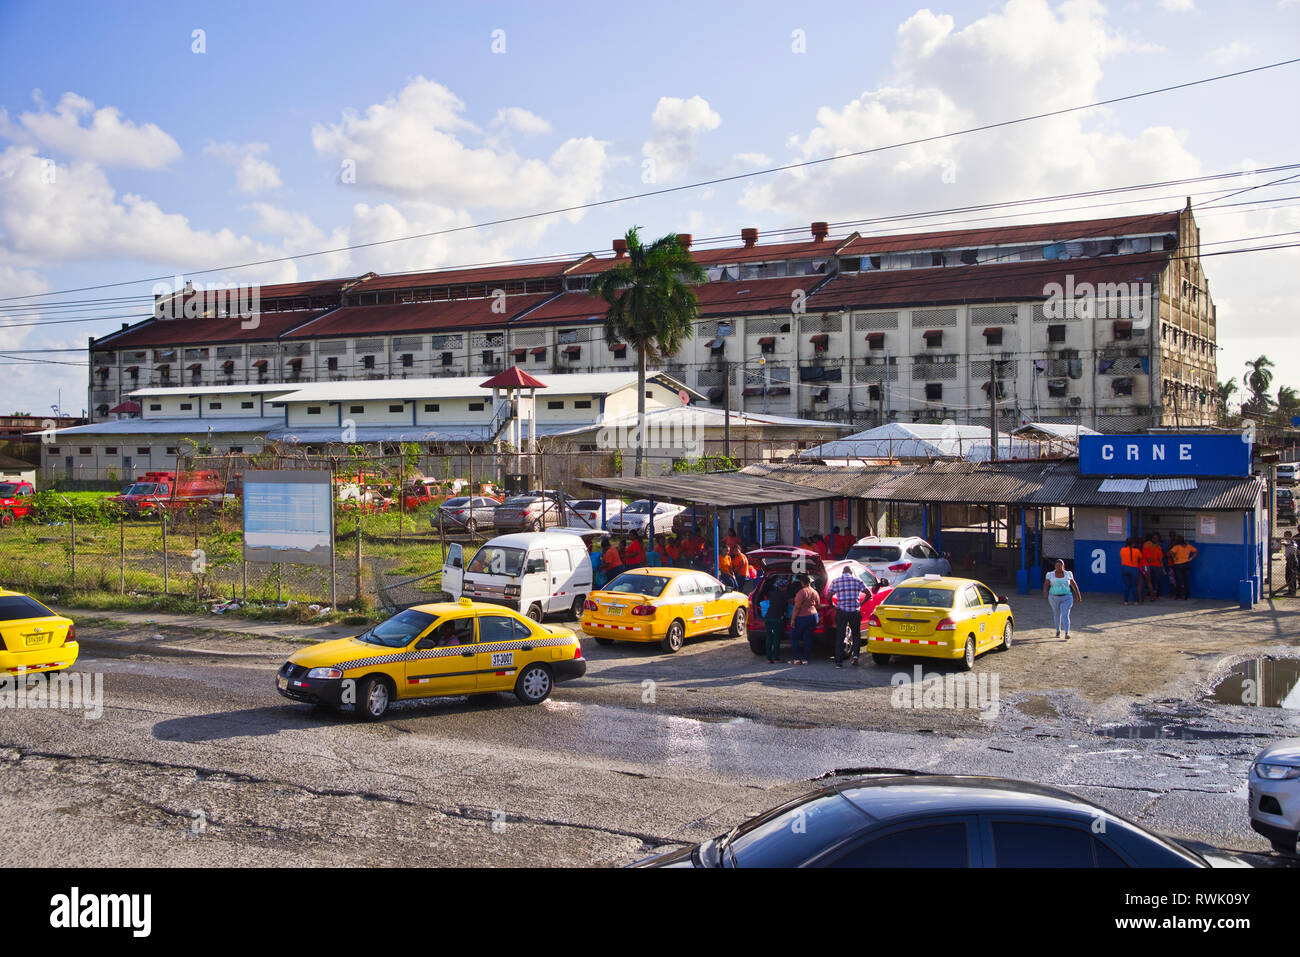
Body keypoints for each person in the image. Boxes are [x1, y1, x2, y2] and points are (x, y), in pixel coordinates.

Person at [828, 564, 869, 666]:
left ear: (843, 572)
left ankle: (838, 661)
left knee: (840, 636)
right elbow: (869, 594)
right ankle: (855, 657)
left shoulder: (836, 581)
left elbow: (829, 596)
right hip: (855, 611)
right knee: (856, 634)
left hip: (841, 611)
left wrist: (833, 605)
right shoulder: (858, 581)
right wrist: (861, 604)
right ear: (851, 573)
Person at [1042, 559, 1083, 639]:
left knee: (1065, 614)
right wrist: (1045, 591)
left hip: (1067, 597)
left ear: (1063, 566)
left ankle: (1067, 632)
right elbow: (1046, 584)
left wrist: (1078, 595)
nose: (1058, 567)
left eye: (1060, 565)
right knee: (1056, 614)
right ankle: (1058, 630)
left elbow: (1073, 584)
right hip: (1053, 597)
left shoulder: (1068, 574)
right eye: (1056, 565)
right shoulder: (1050, 574)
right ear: (1055, 566)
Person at [789, 575, 820, 666]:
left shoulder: (801, 592)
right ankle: (806, 659)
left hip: (802, 617)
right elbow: (818, 604)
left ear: (802, 582)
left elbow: (797, 607)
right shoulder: (815, 592)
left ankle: (796, 659)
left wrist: (792, 619)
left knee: (794, 637)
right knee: (807, 638)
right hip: (813, 616)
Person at [763, 576, 791, 664]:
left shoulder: (771, 593)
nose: (786, 588)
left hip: (768, 618)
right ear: (782, 587)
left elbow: (765, 596)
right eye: (786, 586)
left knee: (769, 638)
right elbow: (792, 602)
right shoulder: (786, 595)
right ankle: (776, 658)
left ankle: (768, 658)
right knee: (776, 638)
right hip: (777, 619)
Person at [1168, 535, 1198, 599]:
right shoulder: (1188, 546)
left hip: (1178, 565)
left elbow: (1171, 552)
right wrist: (1191, 558)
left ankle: (1178, 595)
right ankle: (1187, 595)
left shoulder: (1176, 546)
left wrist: (1174, 557)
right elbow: (1196, 551)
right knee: (1186, 580)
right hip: (1186, 564)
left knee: (1179, 580)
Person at [1142, 533, 1166, 601]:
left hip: (1155, 566)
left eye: (1156, 537)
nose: (1155, 539)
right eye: (1154, 537)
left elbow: (1160, 559)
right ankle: (1153, 595)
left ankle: (1152, 595)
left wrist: (1162, 567)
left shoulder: (1157, 546)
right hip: (1149, 565)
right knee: (1151, 581)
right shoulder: (1156, 546)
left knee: (1154, 581)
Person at [1120, 537, 1143, 606]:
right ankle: (1135, 601)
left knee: (1126, 585)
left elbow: (1122, 556)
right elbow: (1141, 557)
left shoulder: (1122, 550)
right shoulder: (1137, 551)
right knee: (1134, 586)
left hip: (1125, 568)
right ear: (1133, 544)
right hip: (1134, 569)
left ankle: (1125, 601)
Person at [1283, 531, 1299, 596]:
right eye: (1284, 535)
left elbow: (1293, 546)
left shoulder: (1291, 541)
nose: (1285, 537)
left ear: (1290, 535)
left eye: (1286, 535)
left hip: (1292, 560)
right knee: (1288, 576)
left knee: (1291, 576)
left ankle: (1292, 591)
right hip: (1289, 560)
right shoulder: (1289, 541)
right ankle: (1290, 590)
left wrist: (1286, 544)